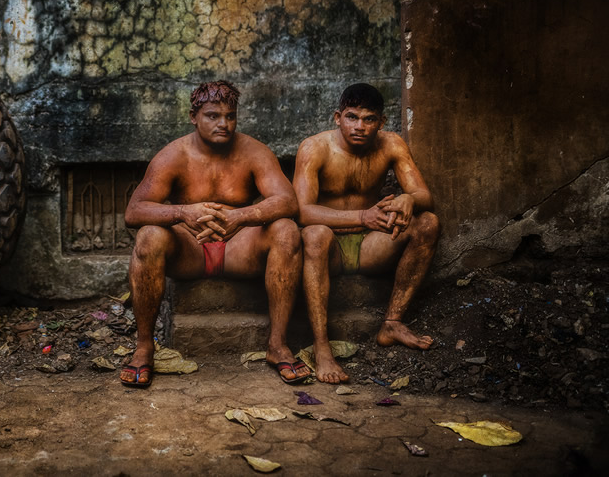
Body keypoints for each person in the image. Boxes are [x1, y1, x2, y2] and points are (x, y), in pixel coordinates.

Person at [120, 80, 310, 387]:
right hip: (190, 249)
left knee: (287, 231)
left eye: (230, 116)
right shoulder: (174, 155)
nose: (224, 124)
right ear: (194, 116)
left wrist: (241, 216)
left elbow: (287, 202)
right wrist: (182, 212)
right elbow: (134, 211)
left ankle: (277, 345)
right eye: (213, 115)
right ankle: (143, 348)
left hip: (240, 248)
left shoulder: (254, 152)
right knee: (148, 236)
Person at [293, 83, 439, 384]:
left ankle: (392, 323)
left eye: (369, 119)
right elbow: (303, 212)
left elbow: (424, 194)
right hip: (328, 246)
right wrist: (362, 216)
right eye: (352, 117)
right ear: (337, 117)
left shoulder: (391, 144)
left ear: (381, 122)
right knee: (314, 234)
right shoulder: (314, 148)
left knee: (428, 223)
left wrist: (409, 198)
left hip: (371, 246)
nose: (360, 126)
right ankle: (321, 346)